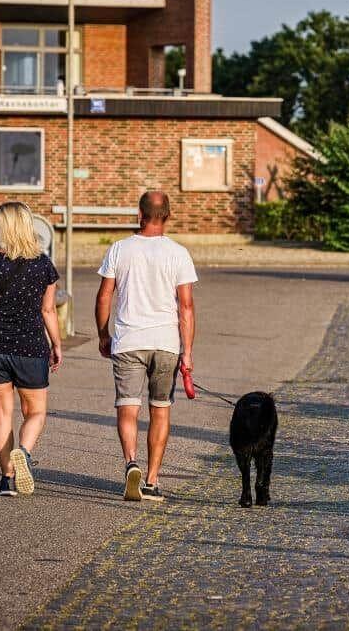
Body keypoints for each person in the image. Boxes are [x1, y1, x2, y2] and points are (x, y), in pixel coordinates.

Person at [95, 191, 197, 502]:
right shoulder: (178, 253)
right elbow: (186, 307)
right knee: (160, 410)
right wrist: (187, 352)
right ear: (168, 216)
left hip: (129, 341)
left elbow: (104, 296)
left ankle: (131, 463)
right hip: (165, 343)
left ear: (139, 214)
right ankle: (151, 481)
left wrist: (103, 335)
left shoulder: (119, 249)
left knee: (128, 407)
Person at [0, 202, 62, 496]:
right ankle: (24, 451)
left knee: (1, 413)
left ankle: (7, 479)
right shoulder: (43, 265)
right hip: (31, 347)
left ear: (5, 228)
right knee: (36, 412)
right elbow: (48, 310)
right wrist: (57, 344)